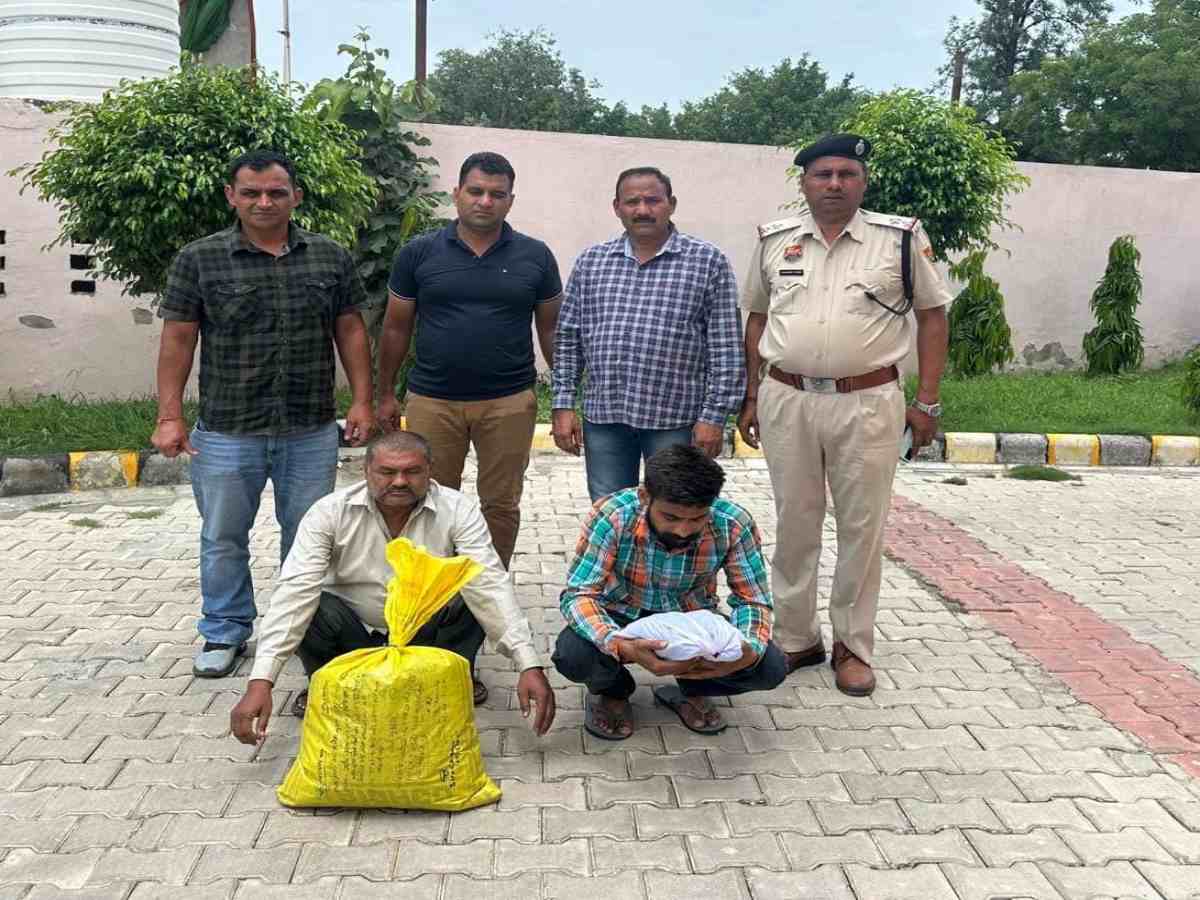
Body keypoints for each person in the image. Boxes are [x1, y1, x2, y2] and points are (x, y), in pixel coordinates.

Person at [737, 133, 951, 697]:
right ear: (804, 183)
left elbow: (932, 317)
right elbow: (757, 319)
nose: (834, 184)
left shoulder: (898, 239)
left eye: (846, 174)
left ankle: (852, 645)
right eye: (822, 174)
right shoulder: (774, 240)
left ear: (863, 181)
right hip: (787, 397)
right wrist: (751, 394)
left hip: (868, 401)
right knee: (795, 521)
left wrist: (927, 401)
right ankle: (795, 637)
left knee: (862, 526)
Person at [152, 149, 376, 679]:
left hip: (309, 427)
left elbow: (350, 330)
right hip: (228, 429)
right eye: (251, 192)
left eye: (276, 192)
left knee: (310, 536)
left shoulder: (329, 257)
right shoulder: (200, 259)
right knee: (223, 536)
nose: (264, 202)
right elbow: (179, 338)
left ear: (296, 196)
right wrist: (169, 416)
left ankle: (300, 629)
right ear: (231, 196)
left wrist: (362, 400)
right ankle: (225, 630)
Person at [229, 430, 556, 744]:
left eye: (412, 471)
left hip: (424, 637)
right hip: (352, 636)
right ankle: (329, 682)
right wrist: (262, 681)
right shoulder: (328, 513)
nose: (399, 481)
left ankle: (446, 681)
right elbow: (294, 592)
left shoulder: (458, 509)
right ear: (365, 471)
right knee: (313, 606)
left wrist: (528, 664)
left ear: (429, 471)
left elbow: (490, 585)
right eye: (387, 472)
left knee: (469, 589)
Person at [376, 151, 562, 569]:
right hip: (433, 400)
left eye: (497, 194)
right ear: (457, 192)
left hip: (509, 401)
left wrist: (566, 398)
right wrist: (385, 393)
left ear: (510, 200)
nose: (485, 201)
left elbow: (550, 330)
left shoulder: (535, 256)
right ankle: (434, 590)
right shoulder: (418, 253)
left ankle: (489, 589)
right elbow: (395, 328)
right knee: (430, 501)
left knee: (501, 503)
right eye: (476, 191)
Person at [552, 444, 785, 740]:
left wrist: (748, 649)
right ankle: (613, 691)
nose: (683, 531)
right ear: (645, 497)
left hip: (691, 619)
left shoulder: (734, 524)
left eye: (697, 519)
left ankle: (693, 687)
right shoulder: (612, 515)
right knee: (573, 656)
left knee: (769, 667)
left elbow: (752, 600)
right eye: (671, 517)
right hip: (621, 613)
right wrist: (617, 643)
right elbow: (579, 594)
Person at [551, 166, 745, 502]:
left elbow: (725, 347)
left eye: (653, 200)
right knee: (610, 510)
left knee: (675, 508)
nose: (642, 210)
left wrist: (714, 417)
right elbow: (568, 339)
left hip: (676, 420)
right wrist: (562, 404)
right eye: (632, 202)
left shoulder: (708, 261)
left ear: (671, 204)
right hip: (605, 417)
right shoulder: (592, 262)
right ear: (617, 207)